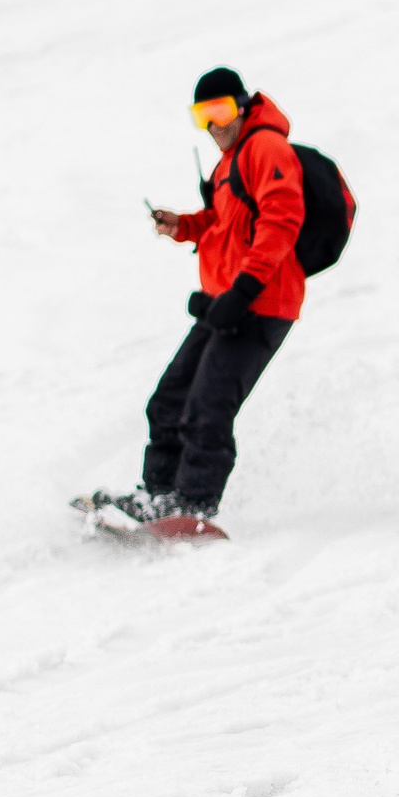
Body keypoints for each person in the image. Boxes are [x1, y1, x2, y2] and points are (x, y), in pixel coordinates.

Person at [93, 68, 307, 529]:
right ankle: (159, 496)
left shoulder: (266, 148)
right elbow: (226, 222)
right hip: (226, 301)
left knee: (208, 405)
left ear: (243, 105)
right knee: (168, 398)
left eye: (220, 111)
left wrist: (244, 290)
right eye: (202, 115)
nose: (213, 125)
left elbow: (282, 221)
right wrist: (184, 225)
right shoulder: (230, 162)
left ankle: (194, 505)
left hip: (260, 303)